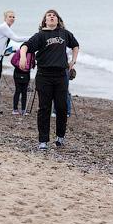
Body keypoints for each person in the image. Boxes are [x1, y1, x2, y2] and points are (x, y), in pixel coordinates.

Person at [20, 10, 79, 150]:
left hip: (61, 75)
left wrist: (73, 61)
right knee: (44, 108)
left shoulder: (64, 33)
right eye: (49, 16)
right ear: (45, 21)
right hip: (44, 76)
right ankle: (43, 141)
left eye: (54, 16)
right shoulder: (40, 35)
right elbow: (25, 46)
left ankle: (60, 137)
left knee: (62, 107)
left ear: (58, 20)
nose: (51, 17)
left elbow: (76, 45)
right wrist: (23, 56)